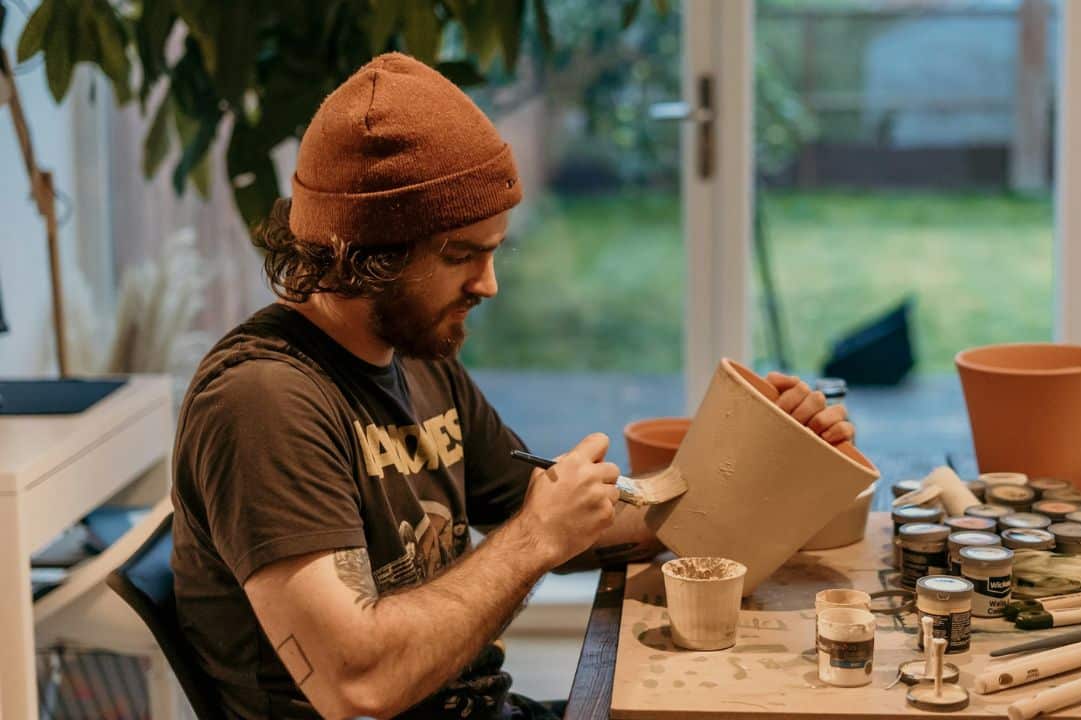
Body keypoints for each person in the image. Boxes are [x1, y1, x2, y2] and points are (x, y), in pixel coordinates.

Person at [170, 53, 856, 720]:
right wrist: (533, 540)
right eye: (461, 255)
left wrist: (765, 462)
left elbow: (568, 524)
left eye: (494, 251)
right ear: (366, 257)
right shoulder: (261, 404)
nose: (488, 284)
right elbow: (358, 684)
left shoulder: (416, 356)